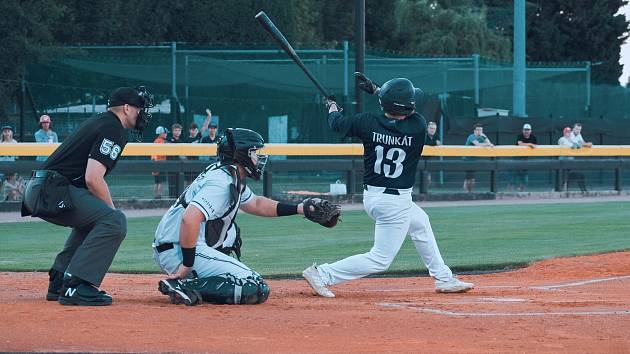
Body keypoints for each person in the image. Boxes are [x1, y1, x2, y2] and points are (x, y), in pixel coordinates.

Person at [300, 73, 473, 299]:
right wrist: (376, 90)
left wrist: (332, 106)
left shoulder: (366, 122)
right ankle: (322, 274)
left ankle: (443, 277)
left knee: (420, 223)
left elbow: (337, 124)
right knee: (380, 259)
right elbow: (403, 111)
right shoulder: (418, 127)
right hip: (395, 202)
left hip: (375, 197)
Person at [154, 128, 340, 305]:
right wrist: (187, 263)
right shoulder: (220, 183)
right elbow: (190, 219)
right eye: (254, 152)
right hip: (180, 250)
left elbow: (256, 204)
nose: (258, 157)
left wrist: (299, 208)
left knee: (231, 233)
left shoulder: (227, 174)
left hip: (176, 245)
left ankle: (196, 276)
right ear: (241, 154)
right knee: (255, 286)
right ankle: (183, 285)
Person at [21, 86, 154, 306]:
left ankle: (59, 280)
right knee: (113, 220)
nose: (142, 113)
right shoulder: (113, 127)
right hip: (51, 190)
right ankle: (77, 285)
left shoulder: (102, 121)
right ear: (127, 108)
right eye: (139, 108)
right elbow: (93, 178)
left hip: (42, 188)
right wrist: (112, 211)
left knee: (95, 219)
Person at [463, 123, 494, 193]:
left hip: (474, 160)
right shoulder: (471, 136)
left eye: (481, 130)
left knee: (471, 179)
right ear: (474, 131)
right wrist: (488, 144)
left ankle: (468, 193)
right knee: (470, 179)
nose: (479, 131)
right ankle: (467, 193)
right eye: (478, 130)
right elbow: (478, 145)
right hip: (467, 159)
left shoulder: (481, 137)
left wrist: (485, 137)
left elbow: (489, 143)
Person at [509, 123, 537, 192]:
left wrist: (531, 145)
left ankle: (521, 193)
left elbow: (536, 146)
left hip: (525, 160)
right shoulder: (520, 136)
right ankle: (510, 194)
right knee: (512, 178)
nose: (526, 131)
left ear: (530, 131)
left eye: (528, 130)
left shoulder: (533, 137)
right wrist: (530, 144)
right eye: (525, 130)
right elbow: (520, 144)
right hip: (516, 159)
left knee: (525, 179)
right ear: (522, 130)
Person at [558, 126, 587, 192]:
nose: (567, 133)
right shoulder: (561, 139)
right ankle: (561, 189)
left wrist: (581, 144)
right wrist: (575, 145)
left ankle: (583, 190)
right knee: (564, 176)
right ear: (564, 133)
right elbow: (567, 145)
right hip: (562, 162)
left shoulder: (572, 140)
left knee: (580, 175)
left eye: (569, 132)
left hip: (570, 163)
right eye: (566, 132)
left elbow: (579, 144)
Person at [167, 123, 185, 198]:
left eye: (179, 130)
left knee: (179, 183)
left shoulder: (181, 141)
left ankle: (178, 199)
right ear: (172, 131)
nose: (177, 132)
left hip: (179, 165)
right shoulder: (169, 140)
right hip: (171, 164)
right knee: (171, 183)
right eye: (175, 130)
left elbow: (182, 155)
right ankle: (171, 198)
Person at [151, 126, 169, 199]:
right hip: (160, 163)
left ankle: (155, 196)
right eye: (165, 133)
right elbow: (162, 153)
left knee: (156, 182)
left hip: (155, 163)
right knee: (161, 182)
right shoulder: (162, 142)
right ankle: (159, 196)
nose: (166, 134)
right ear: (161, 133)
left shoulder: (155, 141)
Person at [423, 121, 441, 188]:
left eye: (434, 128)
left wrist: (434, 143)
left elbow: (439, 144)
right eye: (431, 128)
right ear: (427, 128)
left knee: (428, 178)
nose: (432, 130)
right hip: (421, 159)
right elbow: (425, 143)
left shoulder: (436, 135)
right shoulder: (424, 134)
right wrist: (434, 143)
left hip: (430, 159)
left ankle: (425, 191)